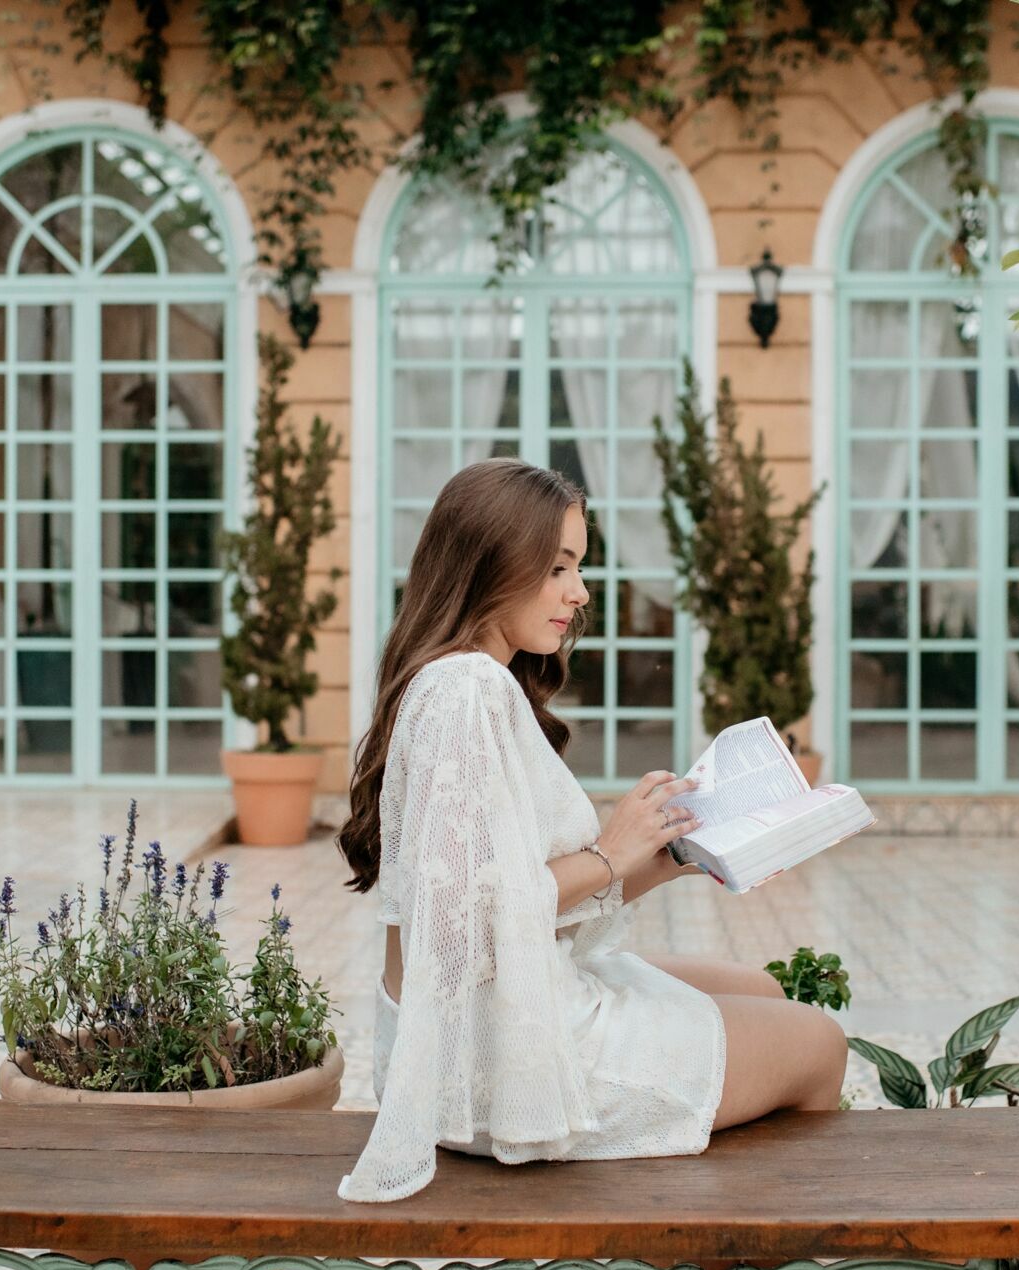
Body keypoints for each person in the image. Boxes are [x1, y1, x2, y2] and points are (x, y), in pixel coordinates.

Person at [335, 457, 846, 1204]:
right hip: (497, 1065)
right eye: (557, 567)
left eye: (578, 566)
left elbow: (520, 897)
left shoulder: (465, 682)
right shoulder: (467, 691)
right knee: (818, 1043)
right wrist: (609, 852)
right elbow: (470, 921)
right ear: (488, 564)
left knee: (760, 989)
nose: (578, 593)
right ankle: (767, 1243)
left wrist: (668, 851)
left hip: (490, 1017)